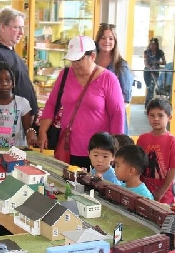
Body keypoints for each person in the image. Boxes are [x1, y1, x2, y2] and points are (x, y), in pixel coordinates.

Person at [38, 35, 125, 169]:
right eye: (72, 60)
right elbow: (51, 104)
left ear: (93, 56)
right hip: (68, 148)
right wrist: (43, 131)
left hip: (98, 153)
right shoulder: (65, 75)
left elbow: (117, 115)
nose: (75, 64)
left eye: (79, 59)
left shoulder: (108, 79)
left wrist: (115, 149)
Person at [0, 8, 37, 118]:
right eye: (16, 27)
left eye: (22, 28)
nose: (21, 32)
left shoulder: (8, 50)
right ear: (2, 27)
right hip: (8, 124)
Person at [137, 98, 175, 204]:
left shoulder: (172, 141)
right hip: (143, 190)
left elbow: (173, 169)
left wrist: (161, 192)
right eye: (152, 115)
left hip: (165, 194)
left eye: (160, 115)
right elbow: (137, 164)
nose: (156, 119)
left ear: (169, 118)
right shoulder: (142, 139)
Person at [95, 23, 133, 134]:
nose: (107, 41)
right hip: (94, 118)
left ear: (115, 42)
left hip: (114, 120)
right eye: (103, 38)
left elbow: (126, 99)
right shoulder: (91, 63)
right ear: (97, 40)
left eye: (111, 38)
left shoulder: (121, 66)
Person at [143, 37, 165, 108]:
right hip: (147, 72)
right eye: (151, 44)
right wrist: (150, 68)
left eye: (154, 44)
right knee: (149, 88)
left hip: (155, 71)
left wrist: (157, 62)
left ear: (157, 45)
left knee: (152, 88)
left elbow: (164, 62)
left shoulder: (160, 52)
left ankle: (149, 106)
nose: (152, 46)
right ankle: (148, 106)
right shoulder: (146, 52)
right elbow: (145, 63)